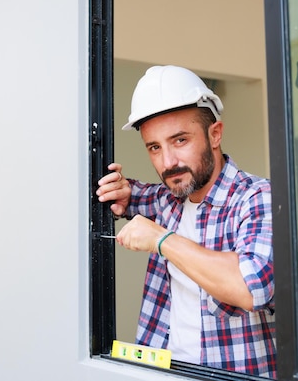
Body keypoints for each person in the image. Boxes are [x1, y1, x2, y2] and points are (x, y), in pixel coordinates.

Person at [96, 65, 276, 378]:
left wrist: (162, 240)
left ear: (215, 134)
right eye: (155, 147)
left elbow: (251, 287)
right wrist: (121, 192)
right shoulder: (167, 200)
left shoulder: (258, 197)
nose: (167, 163)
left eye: (180, 140)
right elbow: (131, 194)